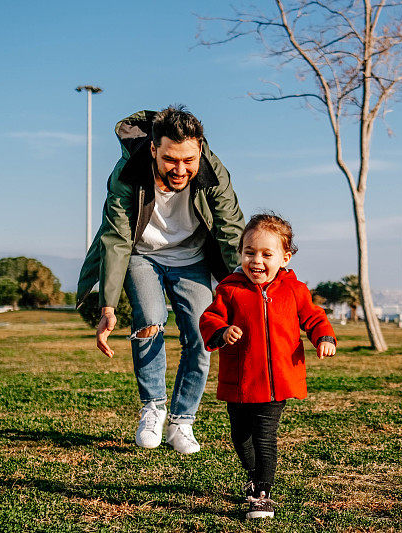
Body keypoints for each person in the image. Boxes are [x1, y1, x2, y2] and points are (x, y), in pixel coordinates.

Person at [76, 106, 245, 454]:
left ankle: (182, 421)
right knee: (151, 319)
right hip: (142, 254)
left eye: (189, 160)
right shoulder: (127, 174)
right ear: (154, 149)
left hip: (192, 257)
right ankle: (153, 407)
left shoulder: (214, 174)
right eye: (170, 159)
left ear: (200, 149)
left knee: (202, 332)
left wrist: (246, 288)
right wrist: (107, 306)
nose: (181, 169)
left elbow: (231, 231)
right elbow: (117, 239)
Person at [199, 213, 337, 519]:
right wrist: (221, 332)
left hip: (277, 383)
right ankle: (254, 475)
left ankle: (262, 493)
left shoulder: (294, 289)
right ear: (241, 254)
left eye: (266, 254)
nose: (256, 261)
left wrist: (324, 336)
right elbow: (210, 318)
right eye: (249, 253)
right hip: (240, 380)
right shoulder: (229, 289)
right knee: (240, 436)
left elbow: (313, 317)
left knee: (264, 436)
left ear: (284, 258)